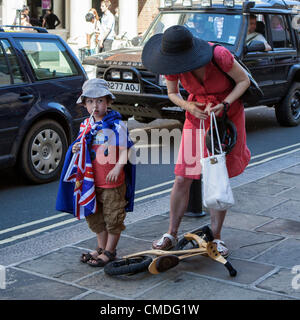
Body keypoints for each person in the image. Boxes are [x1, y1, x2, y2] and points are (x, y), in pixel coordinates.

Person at [142, 25, 251, 257]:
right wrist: (188, 105)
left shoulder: (219, 55)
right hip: (196, 116)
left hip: (225, 117)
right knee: (183, 177)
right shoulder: (172, 62)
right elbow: (173, 93)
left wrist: (226, 105)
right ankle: (171, 233)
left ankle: (217, 237)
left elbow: (244, 82)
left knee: (217, 176)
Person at [56, 78, 136, 267]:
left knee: (113, 217)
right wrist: (76, 148)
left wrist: (117, 168)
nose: (95, 105)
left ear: (108, 102)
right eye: (90, 101)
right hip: (90, 183)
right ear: (84, 104)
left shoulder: (116, 125)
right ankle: (101, 248)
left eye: (100, 100)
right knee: (94, 216)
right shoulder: (86, 126)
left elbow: (127, 149)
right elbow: (82, 147)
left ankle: (110, 251)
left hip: (112, 183)